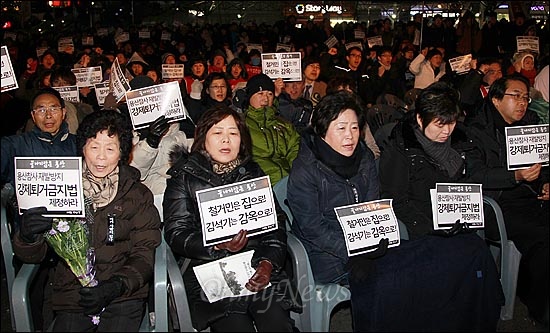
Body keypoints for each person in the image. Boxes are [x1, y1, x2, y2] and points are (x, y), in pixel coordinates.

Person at [354, 81, 503, 331]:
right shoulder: (400, 148)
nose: (447, 131)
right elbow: (396, 200)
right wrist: (431, 227)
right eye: (440, 124)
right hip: (418, 229)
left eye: (452, 123)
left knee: (477, 253)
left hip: (454, 224)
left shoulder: (460, 141)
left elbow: (470, 184)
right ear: (421, 119)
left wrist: (466, 213)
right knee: (435, 267)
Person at [12, 109, 162, 332]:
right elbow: (35, 255)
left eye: (110, 149)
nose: (101, 157)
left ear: (122, 153)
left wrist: (117, 285)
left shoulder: (137, 195)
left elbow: (144, 252)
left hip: (122, 296)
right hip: (74, 296)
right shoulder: (60, 188)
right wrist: (28, 236)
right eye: (94, 147)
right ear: (82, 148)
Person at [163, 105, 298, 332]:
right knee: (235, 326)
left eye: (233, 133)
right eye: (218, 132)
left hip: (256, 265)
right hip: (207, 270)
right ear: (202, 137)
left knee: (278, 323)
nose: (226, 140)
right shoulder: (183, 177)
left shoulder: (253, 173)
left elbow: (275, 224)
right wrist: (215, 244)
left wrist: (268, 264)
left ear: (242, 140)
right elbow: (176, 233)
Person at [465, 74, 549, 328]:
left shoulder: (531, 124)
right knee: (543, 236)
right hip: (498, 205)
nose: (522, 103)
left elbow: (544, 164)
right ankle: (541, 307)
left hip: (532, 197)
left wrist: (545, 182)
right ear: (497, 99)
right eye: (515, 96)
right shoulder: (475, 129)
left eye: (525, 98)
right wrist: (515, 176)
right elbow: (474, 174)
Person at [287, 91, 379, 284]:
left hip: (361, 239)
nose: (350, 136)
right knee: (377, 279)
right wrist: (352, 250)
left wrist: (373, 239)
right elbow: (312, 227)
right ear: (322, 131)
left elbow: (372, 204)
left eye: (355, 128)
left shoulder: (364, 157)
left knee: (406, 264)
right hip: (323, 253)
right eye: (341, 128)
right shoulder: (305, 169)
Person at [244, 73, 301, 186]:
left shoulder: (284, 125)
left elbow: (296, 151)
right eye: (260, 93)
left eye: (270, 94)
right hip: (259, 184)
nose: (265, 99)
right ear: (250, 96)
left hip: (289, 183)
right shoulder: (242, 125)